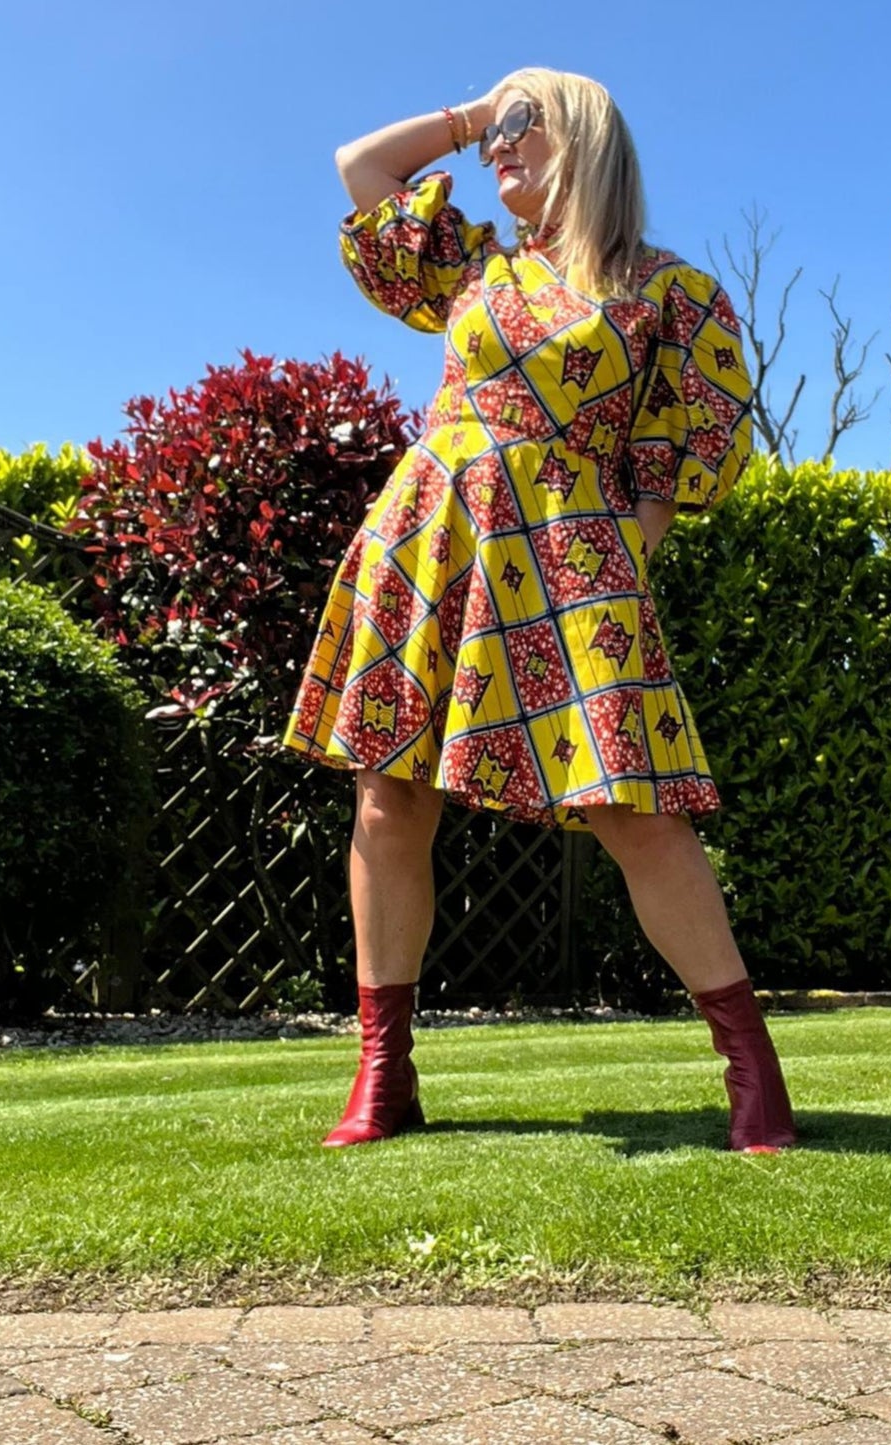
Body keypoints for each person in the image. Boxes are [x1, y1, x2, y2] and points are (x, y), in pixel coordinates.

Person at [283, 68, 796, 1154]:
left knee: (634, 808)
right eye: (493, 132)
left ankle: (749, 1061)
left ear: (588, 142)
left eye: (525, 126)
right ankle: (385, 1070)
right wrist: (476, 110)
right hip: (431, 540)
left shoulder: (669, 293)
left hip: (570, 557)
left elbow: (675, 462)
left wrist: (617, 561)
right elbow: (360, 170)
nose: (495, 147)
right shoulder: (473, 267)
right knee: (387, 799)